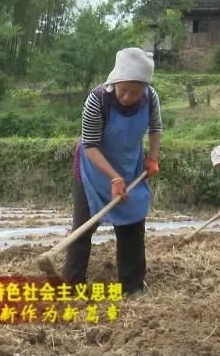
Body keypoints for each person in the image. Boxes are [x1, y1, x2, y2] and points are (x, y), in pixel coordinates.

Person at [62, 47, 162, 297]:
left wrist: (153, 157)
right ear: (114, 81)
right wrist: (113, 177)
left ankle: (133, 286)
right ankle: (72, 285)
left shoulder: (151, 97)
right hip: (93, 169)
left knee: (132, 228)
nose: (128, 96)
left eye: (134, 92)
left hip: (130, 166)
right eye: (123, 90)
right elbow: (90, 145)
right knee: (83, 228)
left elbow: (156, 128)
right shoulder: (97, 100)